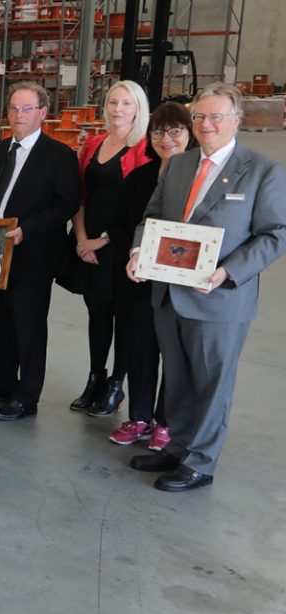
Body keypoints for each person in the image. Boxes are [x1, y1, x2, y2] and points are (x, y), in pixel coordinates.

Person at [125, 83, 286, 491]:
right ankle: (177, 447)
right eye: (199, 116)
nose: (206, 124)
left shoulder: (263, 170)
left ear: (236, 120)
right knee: (177, 378)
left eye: (216, 116)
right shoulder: (179, 165)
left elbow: (275, 234)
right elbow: (153, 216)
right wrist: (138, 252)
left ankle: (201, 462)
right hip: (168, 294)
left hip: (219, 299)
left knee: (211, 384)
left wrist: (228, 272)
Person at [0, 82, 80, 421]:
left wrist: (27, 230)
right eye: (14, 108)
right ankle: (1, 383)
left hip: (32, 255)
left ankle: (26, 398)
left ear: (43, 113)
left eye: (26, 108)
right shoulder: (1, 150)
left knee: (27, 327)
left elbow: (66, 203)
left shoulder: (59, 155)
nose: (18, 114)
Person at [106, 102, 194, 451]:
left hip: (179, 283)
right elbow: (119, 222)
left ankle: (165, 422)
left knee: (173, 353)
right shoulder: (140, 176)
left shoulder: (199, 177)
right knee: (139, 349)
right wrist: (138, 253)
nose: (166, 138)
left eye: (175, 131)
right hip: (139, 280)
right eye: (158, 131)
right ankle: (140, 417)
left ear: (190, 134)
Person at [68, 80, 153, 416]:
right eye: (113, 102)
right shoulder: (93, 143)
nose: (118, 109)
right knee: (97, 314)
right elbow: (80, 195)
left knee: (125, 319)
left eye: (126, 104)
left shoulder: (144, 148)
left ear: (138, 109)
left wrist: (100, 240)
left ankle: (117, 385)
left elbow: (138, 207)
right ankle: (95, 378)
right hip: (88, 245)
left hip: (122, 246)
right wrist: (81, 238)